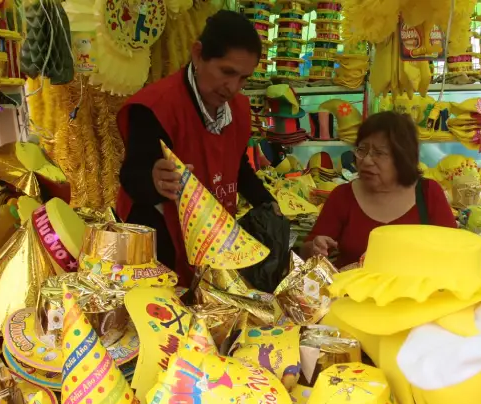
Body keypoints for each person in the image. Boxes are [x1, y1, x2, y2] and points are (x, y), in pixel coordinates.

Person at [115, 11, 277, 285]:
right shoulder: (157, 106)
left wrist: (265, 201)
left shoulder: (238, 108)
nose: (233, 88)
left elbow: (236, 163)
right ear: (198, 54)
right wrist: (153, 178)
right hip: (159, 240)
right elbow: (132, 176)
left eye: (243, 79)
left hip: (213, 239)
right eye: (227, 72)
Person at [303, 111, 457, 267]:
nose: (367, 160)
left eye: (379, 153)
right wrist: (315, 247)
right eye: (362, 150)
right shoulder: (343, 195)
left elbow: (455, 251)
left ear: (402, 158)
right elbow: (307, 250)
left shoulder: (428, 193)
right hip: (351, 289)